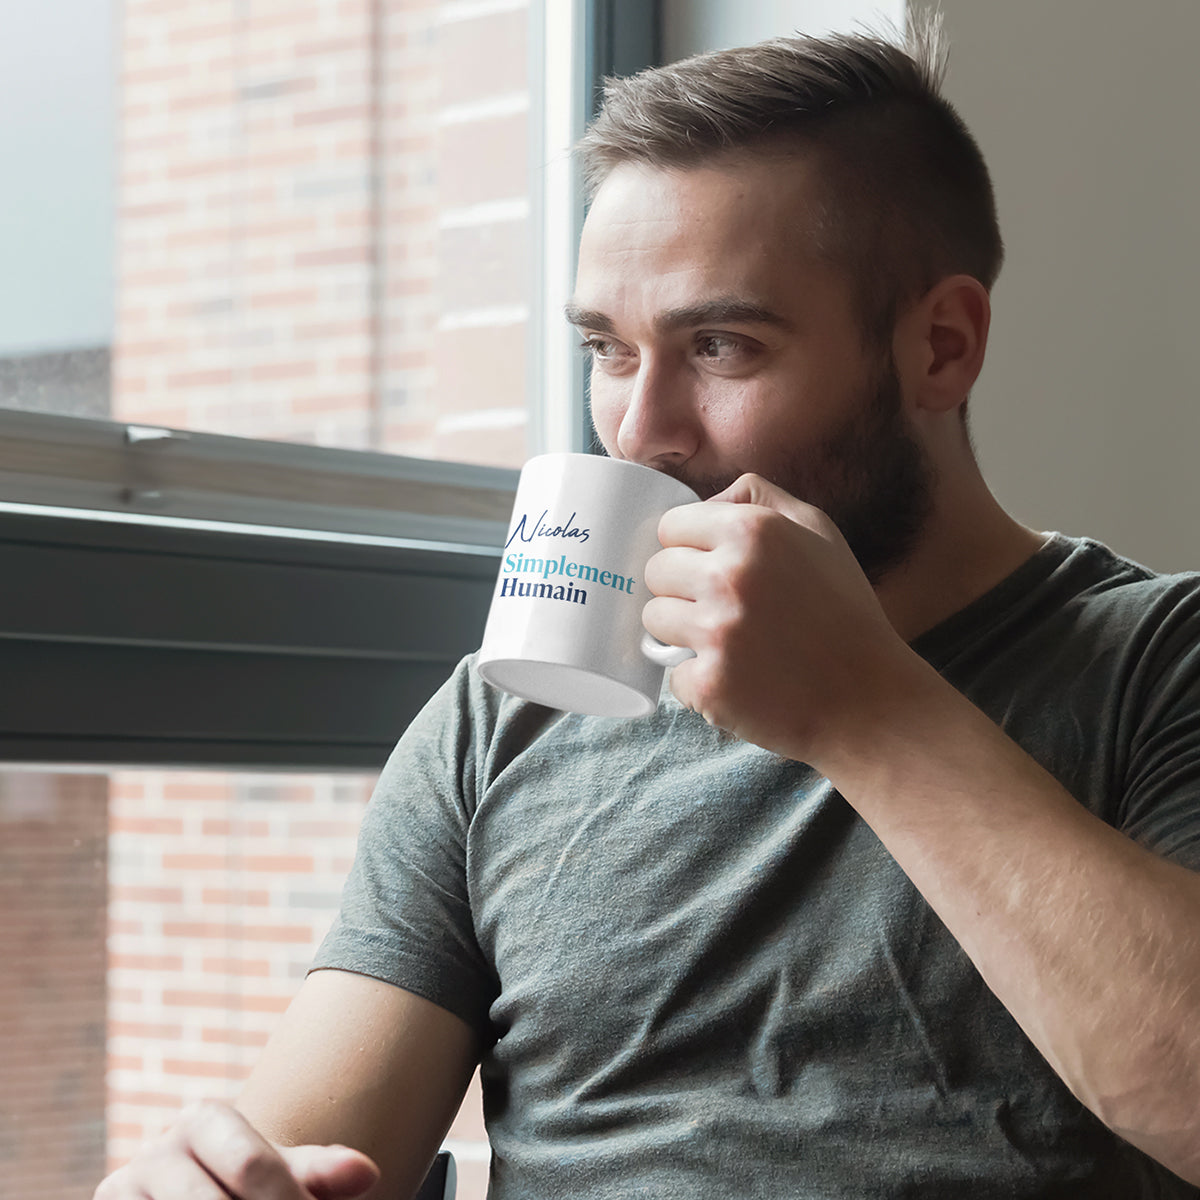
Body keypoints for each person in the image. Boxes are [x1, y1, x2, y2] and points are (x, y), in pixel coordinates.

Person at [96, 23, 1200, 1200]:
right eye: (608, 350)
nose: (639, 431)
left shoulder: (1155, 664)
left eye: (721, 345)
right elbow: (312, 1151)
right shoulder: (498, 718)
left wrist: (868, 709)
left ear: (941, 346)